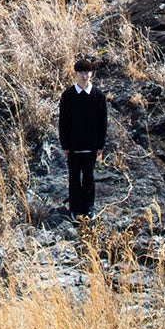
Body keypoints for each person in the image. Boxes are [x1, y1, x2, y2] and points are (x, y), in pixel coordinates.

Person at [57, 56, 108, 221]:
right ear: (76, 74)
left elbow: (103, 122)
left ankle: (89, 208)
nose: (84, 76)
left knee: (89, 178)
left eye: (87, 72)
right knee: (74, 178)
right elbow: (63, 122)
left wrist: (100, 145)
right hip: (73, 146)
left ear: (91, 73)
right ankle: (75, 208)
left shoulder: (98, 95)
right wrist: (65, 144)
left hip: (91, 146)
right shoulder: (68, 95)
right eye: (81, 72)